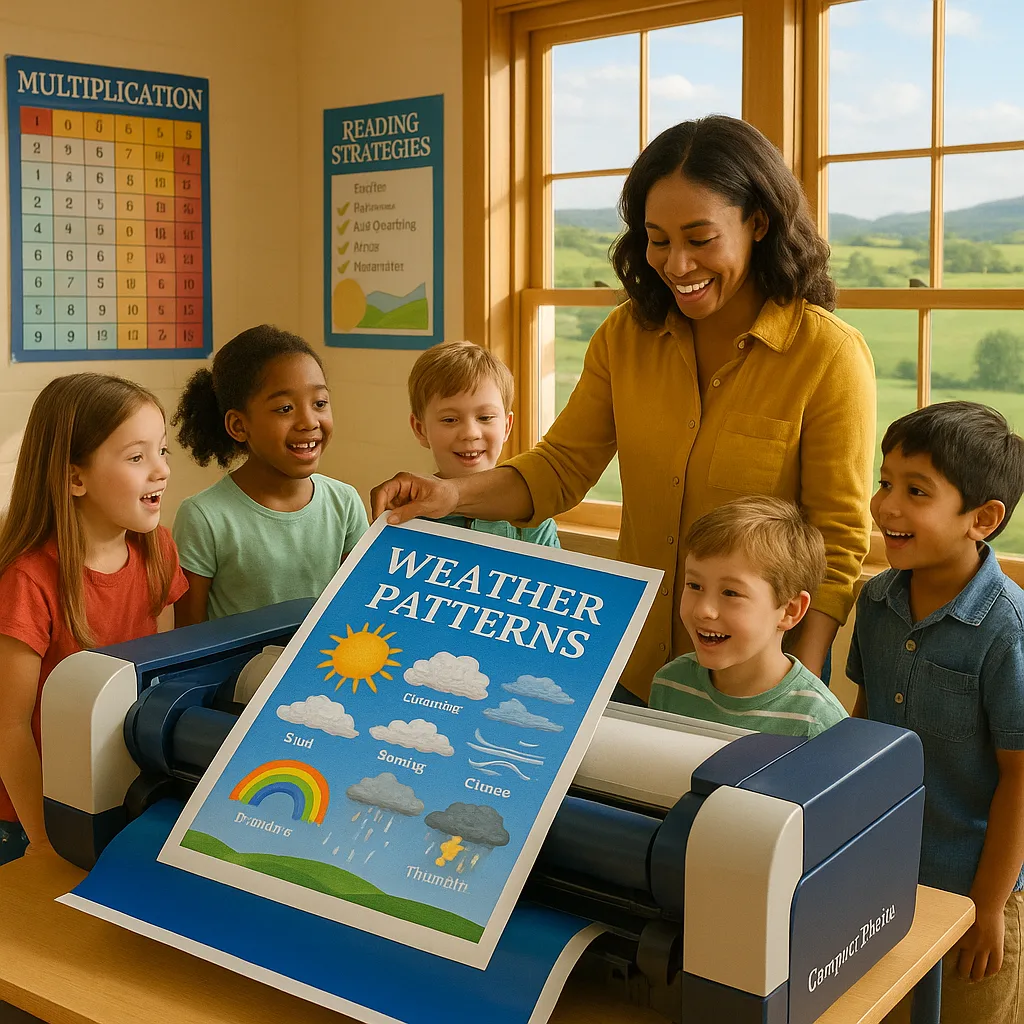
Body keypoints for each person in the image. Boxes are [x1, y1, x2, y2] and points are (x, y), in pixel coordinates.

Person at [371, 115, 875, 700]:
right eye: (658, 240)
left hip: (751, 687)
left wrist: (796, 685)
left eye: (700, 238)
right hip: (629, 670)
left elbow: (834, 541)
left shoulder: (828, 355)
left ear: (758, 222)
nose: (677, 265)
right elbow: (560, 468)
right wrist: (451, 495)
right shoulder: (624, 338)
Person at [848, 402, 1024, 1024]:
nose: (886, 505)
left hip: (976, 898)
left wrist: (987, 909)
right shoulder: (875, 601)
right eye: (885, 481)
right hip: (883, 881)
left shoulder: (1007, 629)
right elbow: (864, 731)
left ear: (982, 518)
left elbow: (1020, 780)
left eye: (915, 491)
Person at [0, 374, 187, 864]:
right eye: (136, 457)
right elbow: (9, 727)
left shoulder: (159, 550)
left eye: (162, 450)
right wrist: (44, 840)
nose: (161, 470)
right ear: (74, 478)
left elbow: (158, 678)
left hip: (110, 796)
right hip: (27, 816)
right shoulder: (28, 581)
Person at [172, 325, 368, 626]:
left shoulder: (345, 502)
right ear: (239, 426)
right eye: (285, 408)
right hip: (240, 674)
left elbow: (357, 610)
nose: (308, 421)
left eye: (320, 403)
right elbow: (189, 639)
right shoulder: (204, 517)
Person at [649, 496, 846, 737]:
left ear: (790, 610)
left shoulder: (818, 720)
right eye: (694, 585)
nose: (703, 610)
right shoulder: (670, 684)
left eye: (730, 592)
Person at [408, 341, 559, 547]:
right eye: (450, 420)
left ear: (506, 426)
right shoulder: (405, 515)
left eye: (486, 417)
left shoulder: (532, 522)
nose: (470, 433)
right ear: (420, 429)